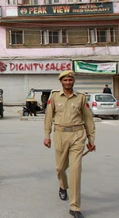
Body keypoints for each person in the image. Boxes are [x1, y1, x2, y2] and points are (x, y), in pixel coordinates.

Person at [44, 70, 96, 218]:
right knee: (60, 168)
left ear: (73, 81)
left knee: (75, 170)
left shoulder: (81, 98)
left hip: (78, 136)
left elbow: (88, 119)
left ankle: (75, 207)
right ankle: (62, 185)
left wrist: (91, 139)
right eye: (65, 80)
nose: (68, 82)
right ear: (61, 82)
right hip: (60, 134)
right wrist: (47, 135)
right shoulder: (54, 96)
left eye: (70, 80)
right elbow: (48, 117)